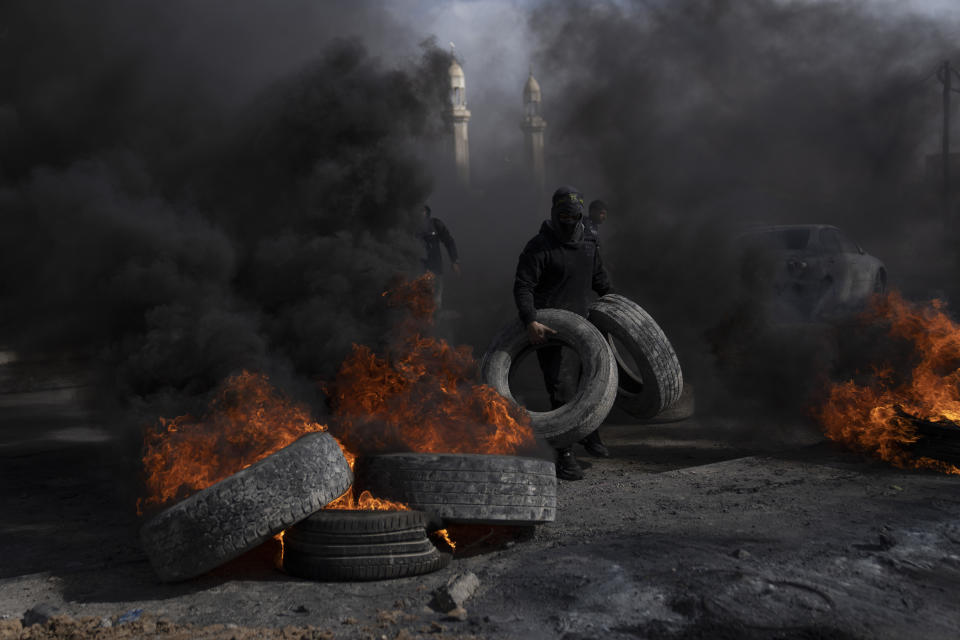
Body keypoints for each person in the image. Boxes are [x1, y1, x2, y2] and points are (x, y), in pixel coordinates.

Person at [513, 186, 612, 481]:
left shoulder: (589, 243)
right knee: (561, 388)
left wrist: (619, 311)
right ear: (554, 214)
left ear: (580, 215)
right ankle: (564, 453)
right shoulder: (539, 246)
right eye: (563, 215)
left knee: (592, 381)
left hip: (585, 325)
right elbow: (523, 286)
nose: (569, 220)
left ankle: (590, 432)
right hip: (550, 328)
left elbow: (600, 280)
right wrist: (530, 320)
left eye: (573, 215)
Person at [418, 205, 460, 309]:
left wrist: (454, 261)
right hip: (417, 270)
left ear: (427, 212)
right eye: (418, 211)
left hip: (435, 269)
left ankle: (435, 321)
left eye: (422, 211)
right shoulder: (409, 226)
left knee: (435, 302)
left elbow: (449, 241)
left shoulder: (435, 224)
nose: (420, 213)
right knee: (417, 301)